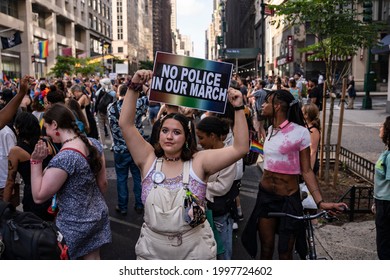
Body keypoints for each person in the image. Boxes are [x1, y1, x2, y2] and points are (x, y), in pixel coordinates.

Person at [119, 69, 249, 260]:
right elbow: (126, 124)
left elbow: (240, 148)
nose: (169, 136)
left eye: (176, 132)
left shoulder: (199, 162)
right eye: (164, 130)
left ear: (187, 138)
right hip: (152, 251)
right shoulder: (148, 159)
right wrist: (134, 85)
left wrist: (238, 107)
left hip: (194, 252)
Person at [241, 89, 347, 260]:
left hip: (288, 200)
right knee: (266, 249)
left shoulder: (300, 132)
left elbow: (306, 171)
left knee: (285, 252)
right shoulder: (269, 130)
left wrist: (320, 202)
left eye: (267, 102)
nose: (262, 105)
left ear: (277, 106)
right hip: (266, 198)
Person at [30, 103, 112, 259]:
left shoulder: (65, 158)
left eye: (46, 127)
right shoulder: (93, 143)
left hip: (74, 223)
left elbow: (38, 196)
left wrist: (36, 162)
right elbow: (103, 183)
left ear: (55, 125)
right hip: (98, 215)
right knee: (93, 259)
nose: (47, 133)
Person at [196, 116, 238, 260]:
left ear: (212, 136)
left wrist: (199, 185)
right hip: (204, 211)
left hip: (220, 213)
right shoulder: (200, 153)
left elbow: (222, 187)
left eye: (201, 138)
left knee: (222, 252)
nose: (199, 142)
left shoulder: (230, 156)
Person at [3, 112, 53, 220]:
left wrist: (4, 208)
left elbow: (10, 181)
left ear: (19, 129)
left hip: (32, 195)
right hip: (50, 191)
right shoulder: (46, 143)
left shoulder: (16, 151)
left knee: (34, 229)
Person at [107, 84, 148, 215]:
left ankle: (122, 206)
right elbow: (151, 97)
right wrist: (142, 86)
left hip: (120, 149)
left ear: (118, 92)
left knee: (121, 178)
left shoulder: (111, 107)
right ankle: (139, 204)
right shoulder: (138, 104)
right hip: (136, 148)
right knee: (138, 177)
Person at [372, 116, 390, 260]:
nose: (380, 126)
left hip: (387, 204)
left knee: (384, 247)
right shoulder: (387, 153)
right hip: (382, 202)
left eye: (383, 125)